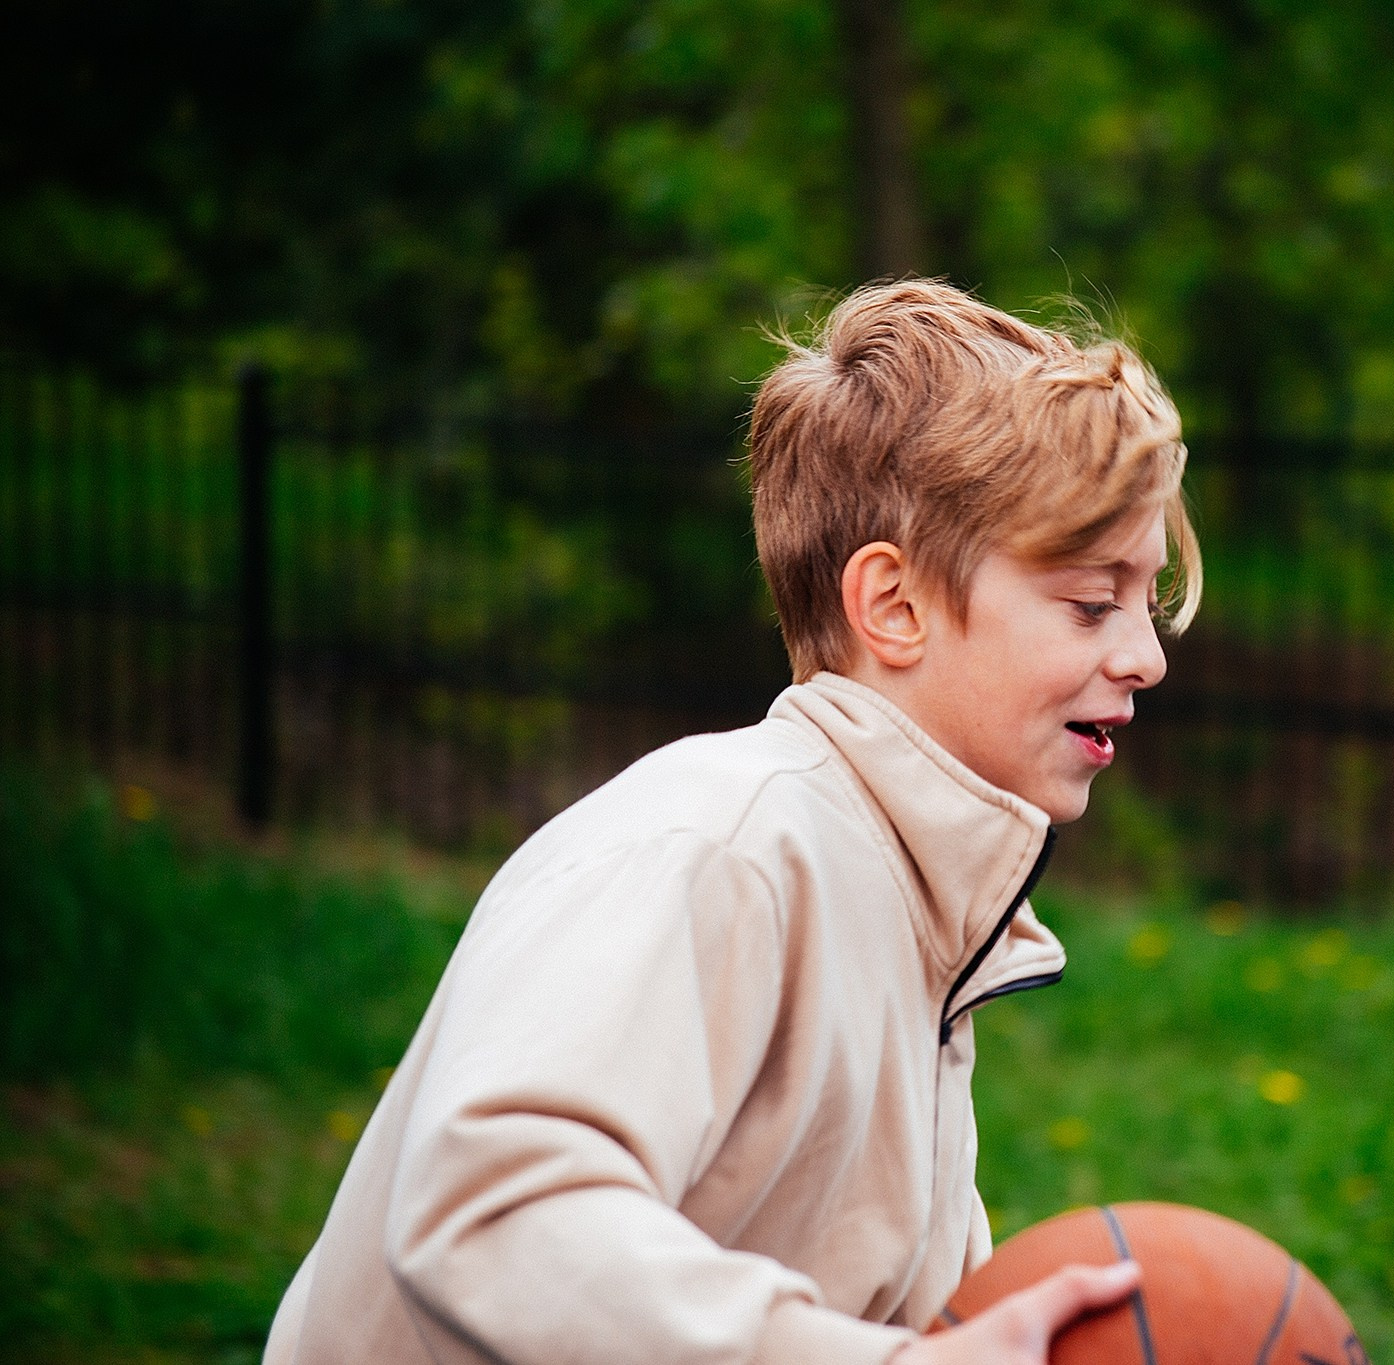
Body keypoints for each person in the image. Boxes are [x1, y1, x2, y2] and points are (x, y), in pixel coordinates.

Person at [263, 278, 1203, 1365]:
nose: (1145, 655)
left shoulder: (915, 912)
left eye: (1145, 602)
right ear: (891, 608)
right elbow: (494, 1214)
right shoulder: (720, 849)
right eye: (1092, 602)